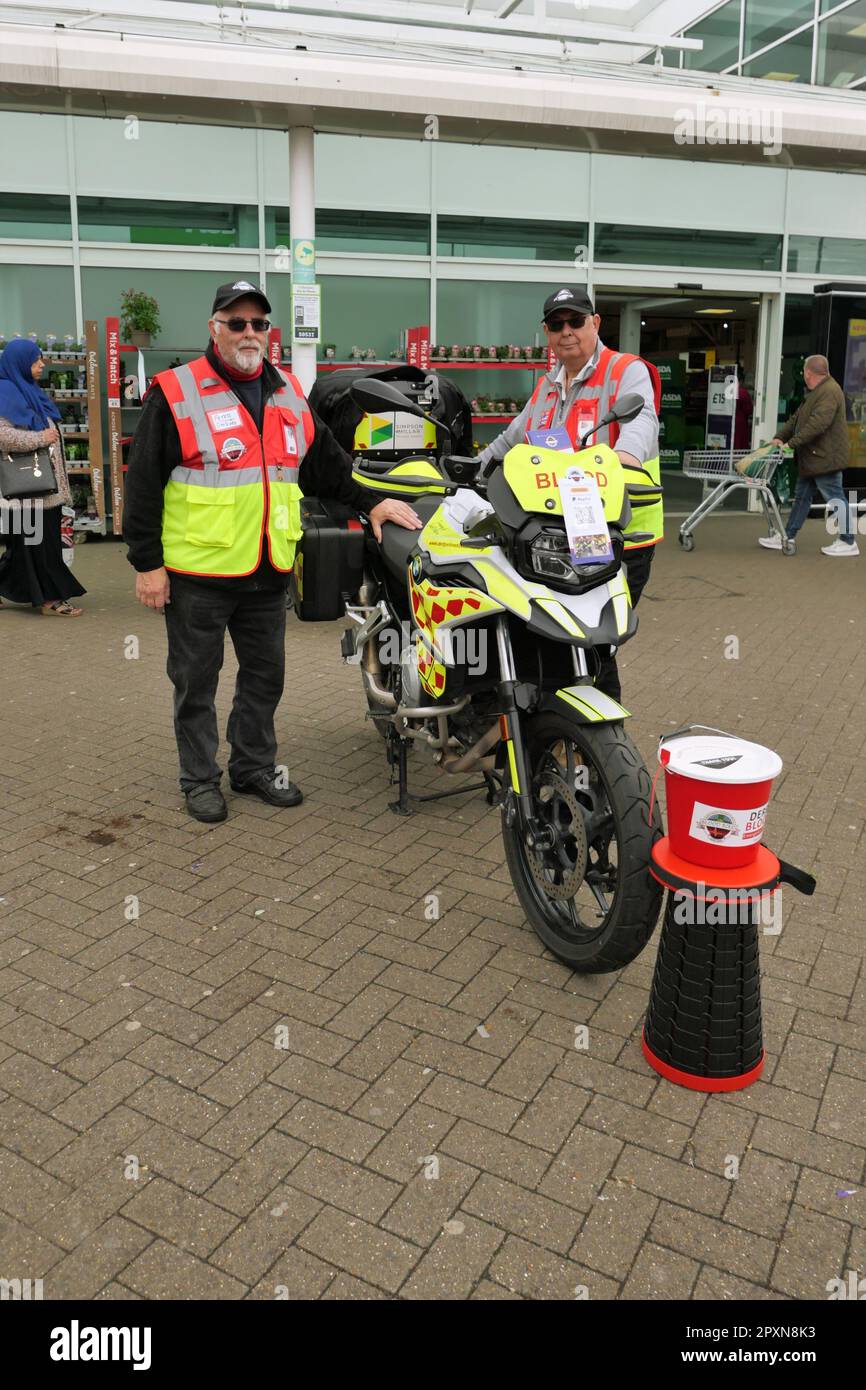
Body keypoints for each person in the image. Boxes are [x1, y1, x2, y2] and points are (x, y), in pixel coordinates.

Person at [123, 280, 420, 824]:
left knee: (266, 676)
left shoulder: (286, 394)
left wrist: (373, 503)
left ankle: (254, 767)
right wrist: (147, 564)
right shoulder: (176, 391)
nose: (249, 333)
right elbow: (142, 483)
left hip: (267, 570)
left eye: (259, 324)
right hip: (197, 573)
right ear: (214, 328)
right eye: (237, 323)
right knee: (195, 681)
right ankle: (199, 779)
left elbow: (326, 465)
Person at [478, 286, 663, 701]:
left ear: (595, 323)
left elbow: (642, 424)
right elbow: (512, 439)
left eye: (576, 321)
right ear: (546, 332)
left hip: (616, 533)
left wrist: (626, 463)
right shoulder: (546, 386)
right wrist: (469, 470)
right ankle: (551, 736)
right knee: (550, 630)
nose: (567, 331)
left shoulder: (625, 371)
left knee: (595, 641)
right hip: (555, 535)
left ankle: (600, 752)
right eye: (556, 324)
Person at [0, 338, 86, 616]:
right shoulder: (5, 392)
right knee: (38, 547)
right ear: (20, 364)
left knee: (25, 549)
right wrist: (40, 437)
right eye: (36, 360)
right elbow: (2, 436)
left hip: (44, 487)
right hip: (25, 492)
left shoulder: (30, 392)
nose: (42, 364)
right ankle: (50, 597)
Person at [760, 354, 858, 558]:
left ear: (808, 373)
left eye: (804, 373)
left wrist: (790, 444)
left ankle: (848, 541)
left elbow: (817, 424)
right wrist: (779, 437)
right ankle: (788, 536)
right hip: (814, 458)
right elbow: (797, 418)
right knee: (802, 499)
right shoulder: (818, 392)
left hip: (825, 459)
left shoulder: (829, 392)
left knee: (836, 498)